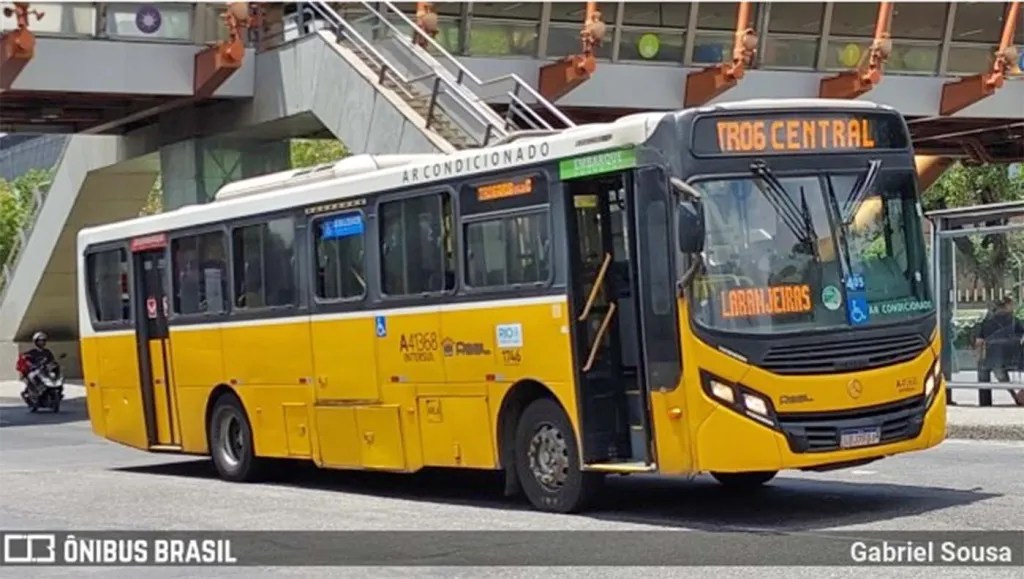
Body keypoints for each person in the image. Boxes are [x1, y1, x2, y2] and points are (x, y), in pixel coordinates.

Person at [975, 296, 1024, 406]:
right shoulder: (1014, 321)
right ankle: (1016, 396)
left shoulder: (987, 322)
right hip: (1012, 356)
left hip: (992, 358)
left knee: (992, 371)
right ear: (1007, 306)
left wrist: (979, 357)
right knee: (999, 371)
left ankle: (986, 401)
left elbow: (979, 341)